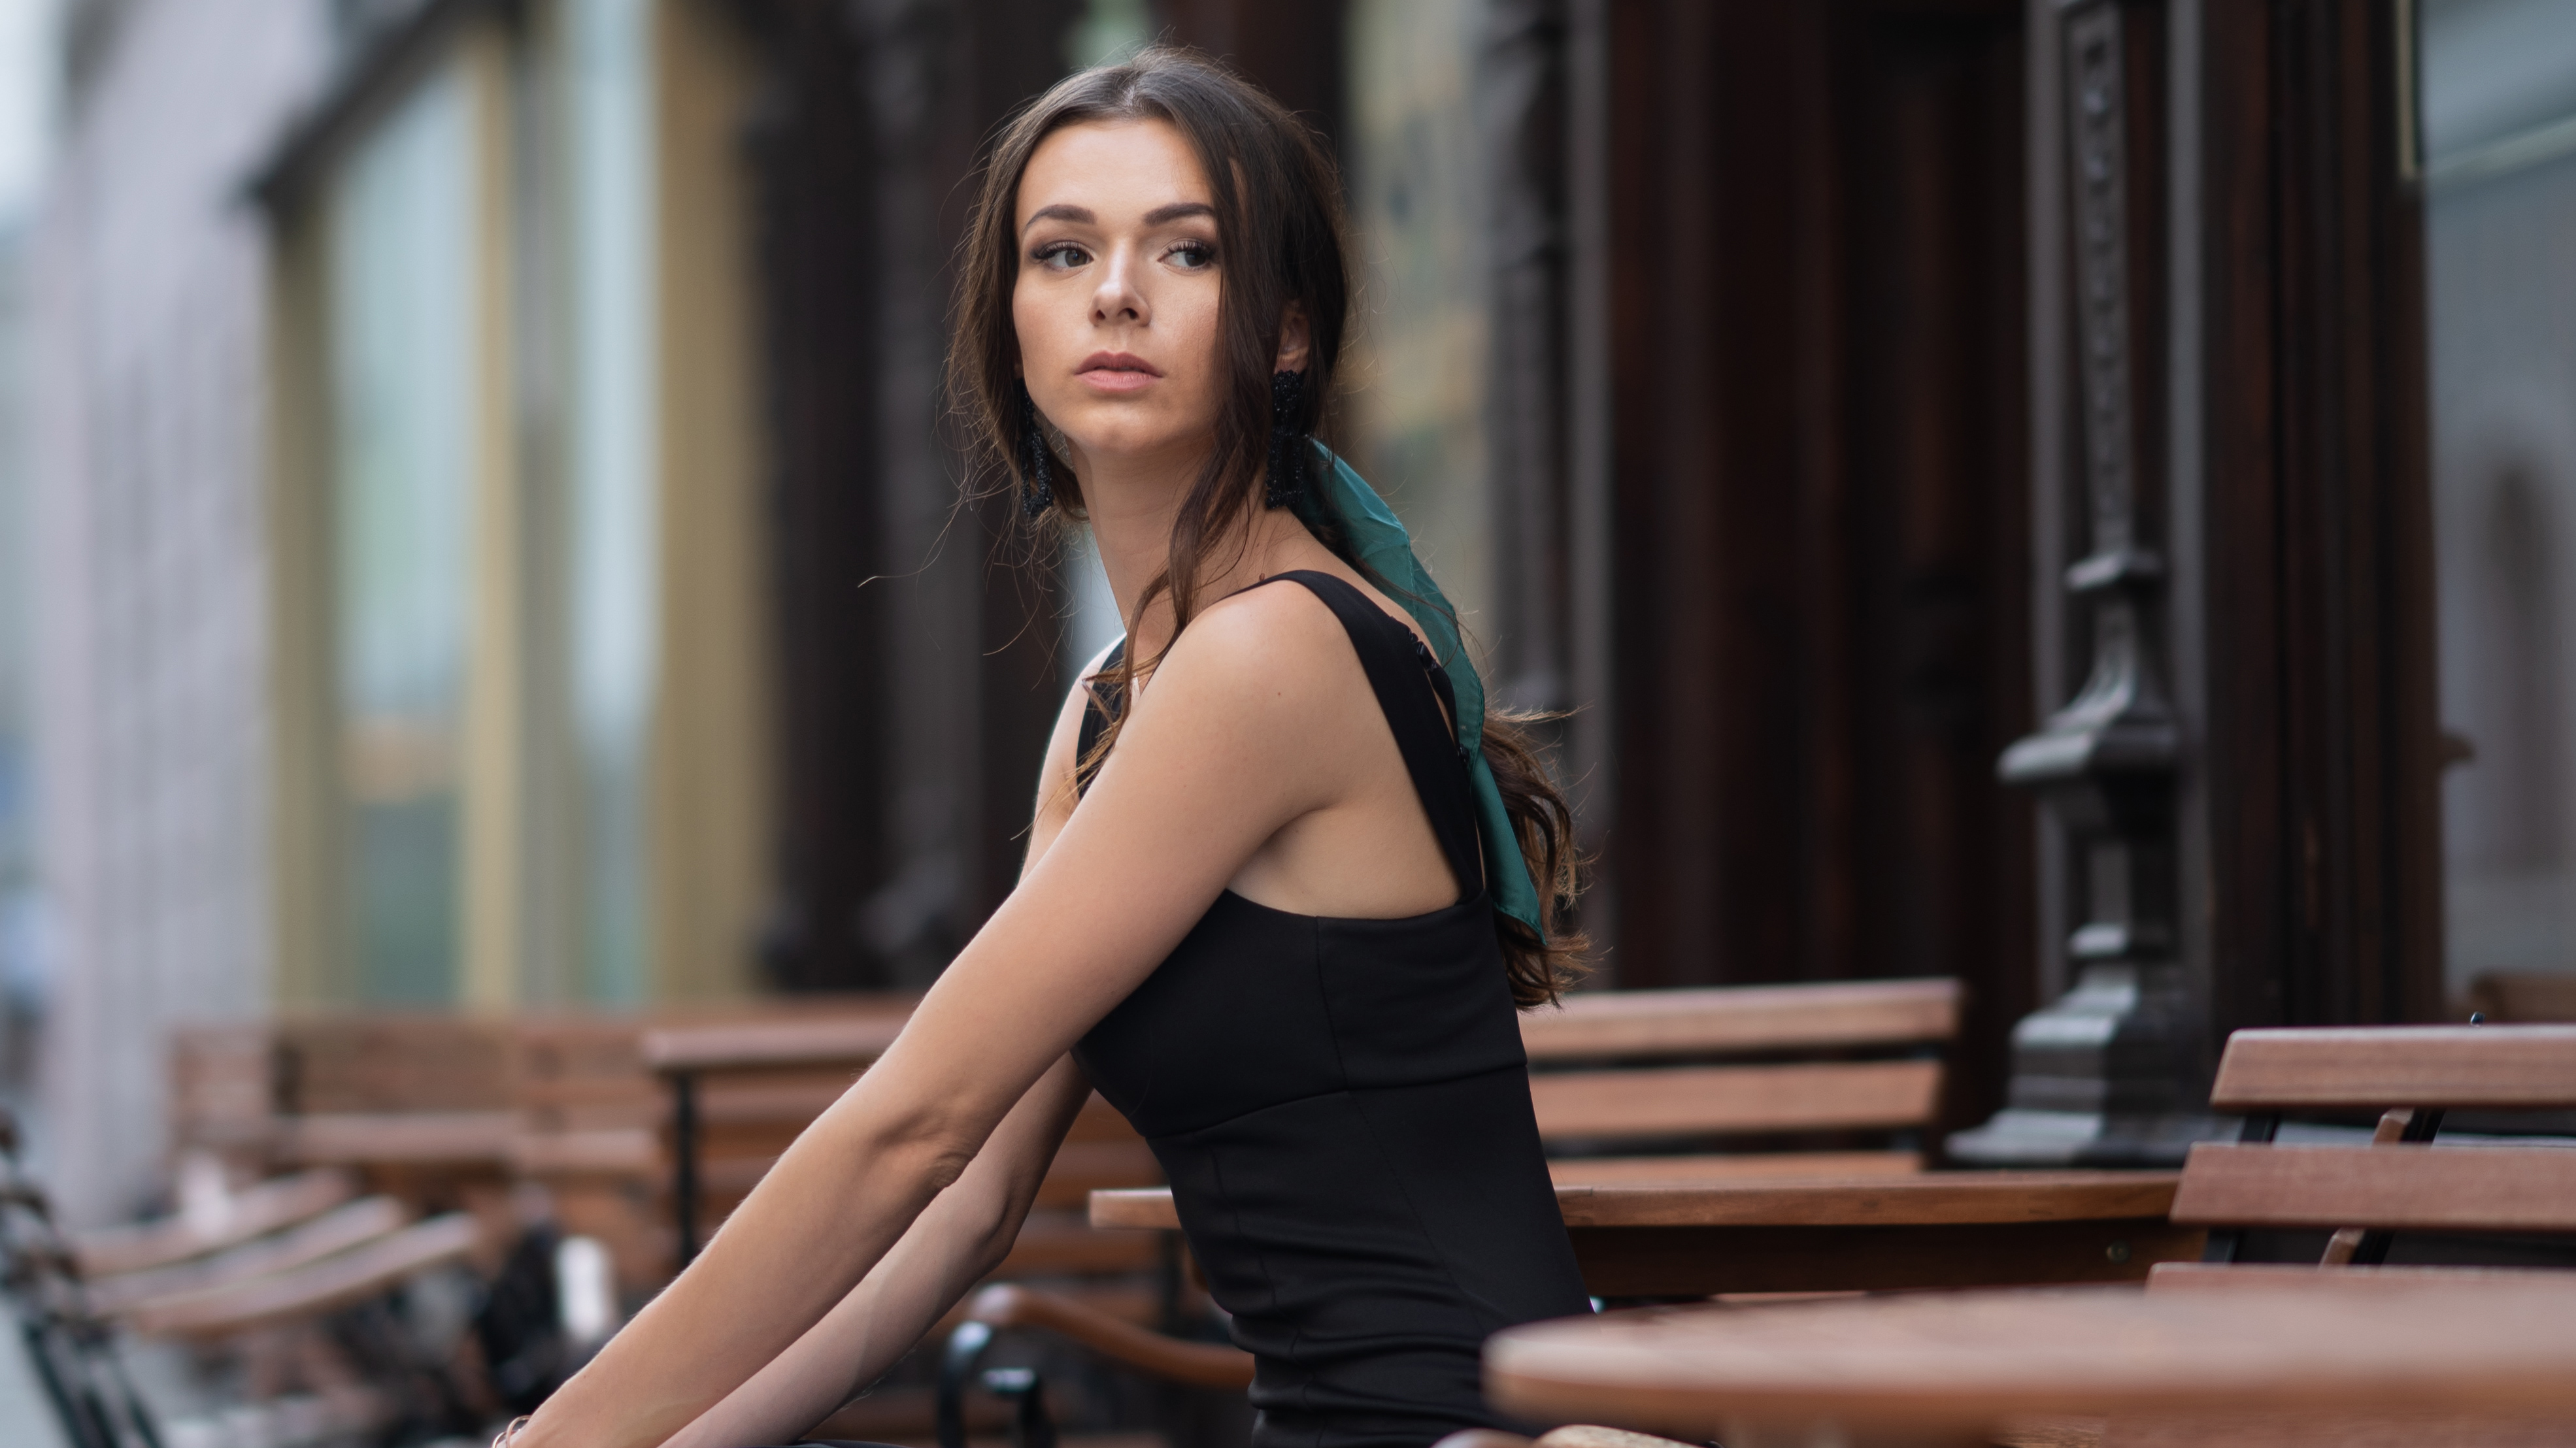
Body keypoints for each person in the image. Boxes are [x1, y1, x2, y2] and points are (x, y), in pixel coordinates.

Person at [503, 46, 1590, 1448]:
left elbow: (915, 1125)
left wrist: (552, 1441)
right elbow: (963, 1211)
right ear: (1011, 320)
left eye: (1187, 251)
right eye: (1062, 250)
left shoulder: (1273, 653)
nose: (1116, 292)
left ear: (1288, 331)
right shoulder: (1108, 708)